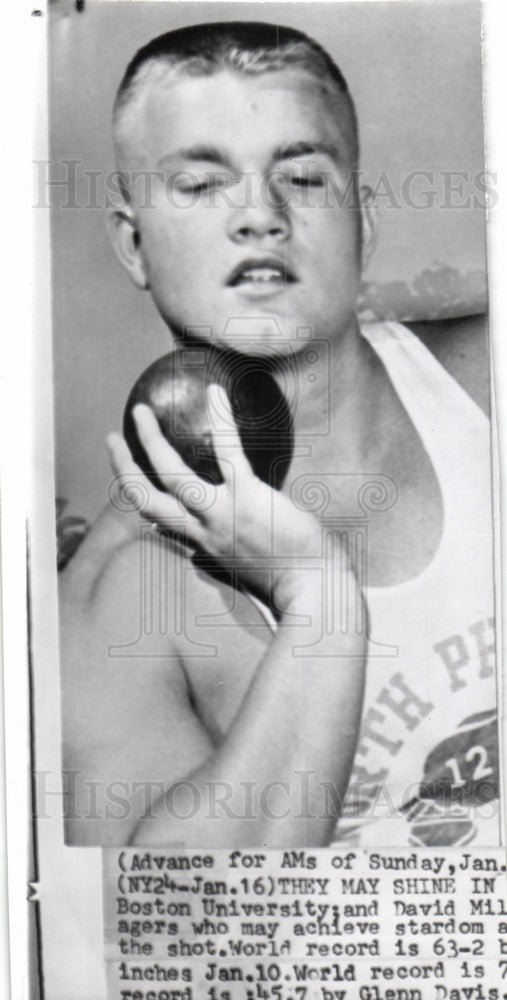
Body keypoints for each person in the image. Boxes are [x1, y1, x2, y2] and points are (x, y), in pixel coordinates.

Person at [59, 21, 498, 848]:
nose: (259, 215)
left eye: (301, 177)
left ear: (363, 226)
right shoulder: (113, 602)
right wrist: (316, 604)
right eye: (200, 185)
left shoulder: (488, 386)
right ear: (132, 245)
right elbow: (183, 940)